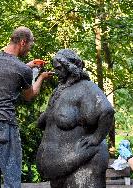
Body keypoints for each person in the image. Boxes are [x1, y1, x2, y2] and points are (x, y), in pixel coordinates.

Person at [0, 26, 53, 188]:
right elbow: (29, 95)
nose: (29, 50)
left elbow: (4, 68)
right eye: (29, 46)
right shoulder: (22, 69)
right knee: (11, 178)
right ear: (23, 42)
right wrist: (41, 77)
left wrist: (27, 66)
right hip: (2, 126)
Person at [36, 49, 115, 188]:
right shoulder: (60, 91)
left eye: (59, 68)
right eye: (55, 69)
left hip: (82, 166)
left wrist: (96, 138)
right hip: (60, 170)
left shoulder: (86, 88)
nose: (56, 72)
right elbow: (46, 122)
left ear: (69, 66)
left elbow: (107, 111)